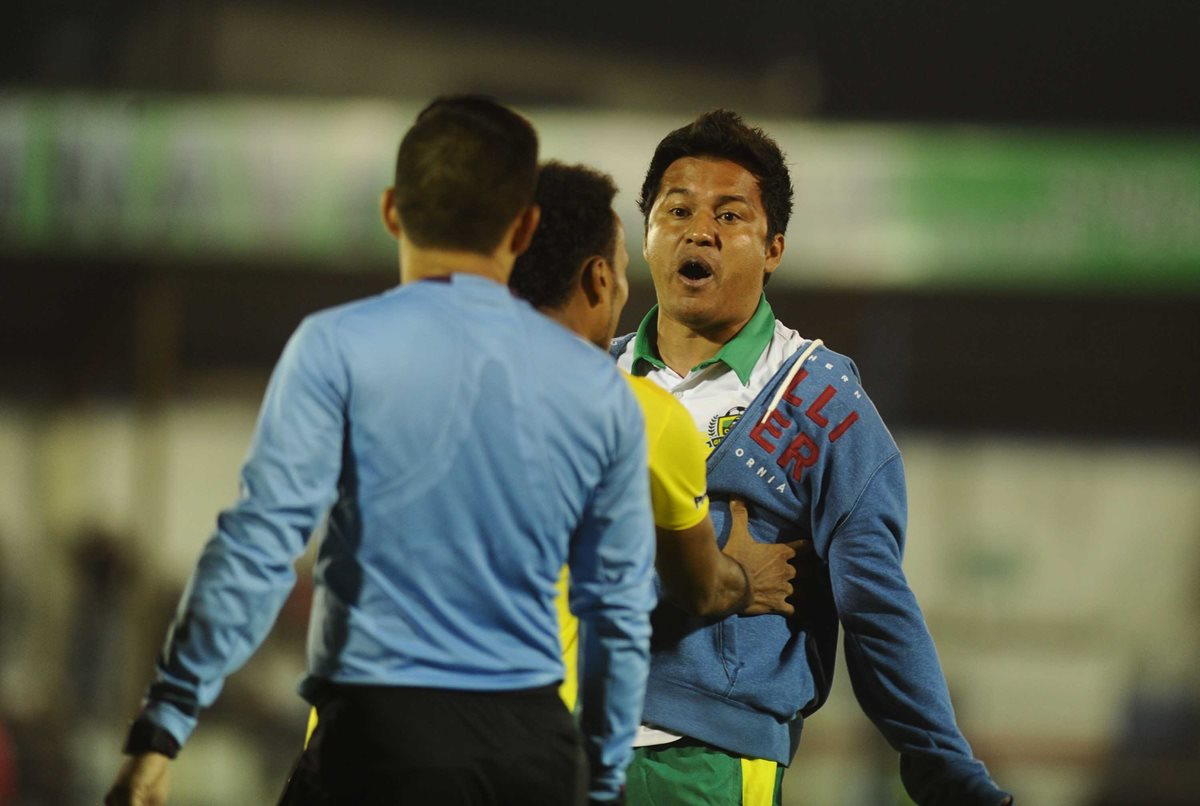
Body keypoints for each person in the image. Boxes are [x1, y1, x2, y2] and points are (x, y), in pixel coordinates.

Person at [105, 96, 656, 806]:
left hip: (378, 743)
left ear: (392, 212)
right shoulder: (596, 386)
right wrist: (601, 781)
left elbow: (258, 545)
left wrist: (164, 724)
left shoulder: (337, 347)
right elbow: (618, 609)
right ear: (523, 227)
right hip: (532, 750)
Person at [610, 110, 1013, 805]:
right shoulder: (592, 379)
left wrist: (942, 766)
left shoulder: (822, 401)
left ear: (774, 249)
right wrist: (719, 575)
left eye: (729, 215)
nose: (699, 230)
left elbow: (876, 602)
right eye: (677, 210)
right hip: (563, 742)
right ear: (645, 234)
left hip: (705, 761)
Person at [508, 161, 812, 712]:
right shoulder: (639, 415)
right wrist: (745, 578)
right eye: (623, 271)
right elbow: (700, 586)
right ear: (600, 280)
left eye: (728, 215)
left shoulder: (415, 389)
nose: (700, 232)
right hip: (524, 728)